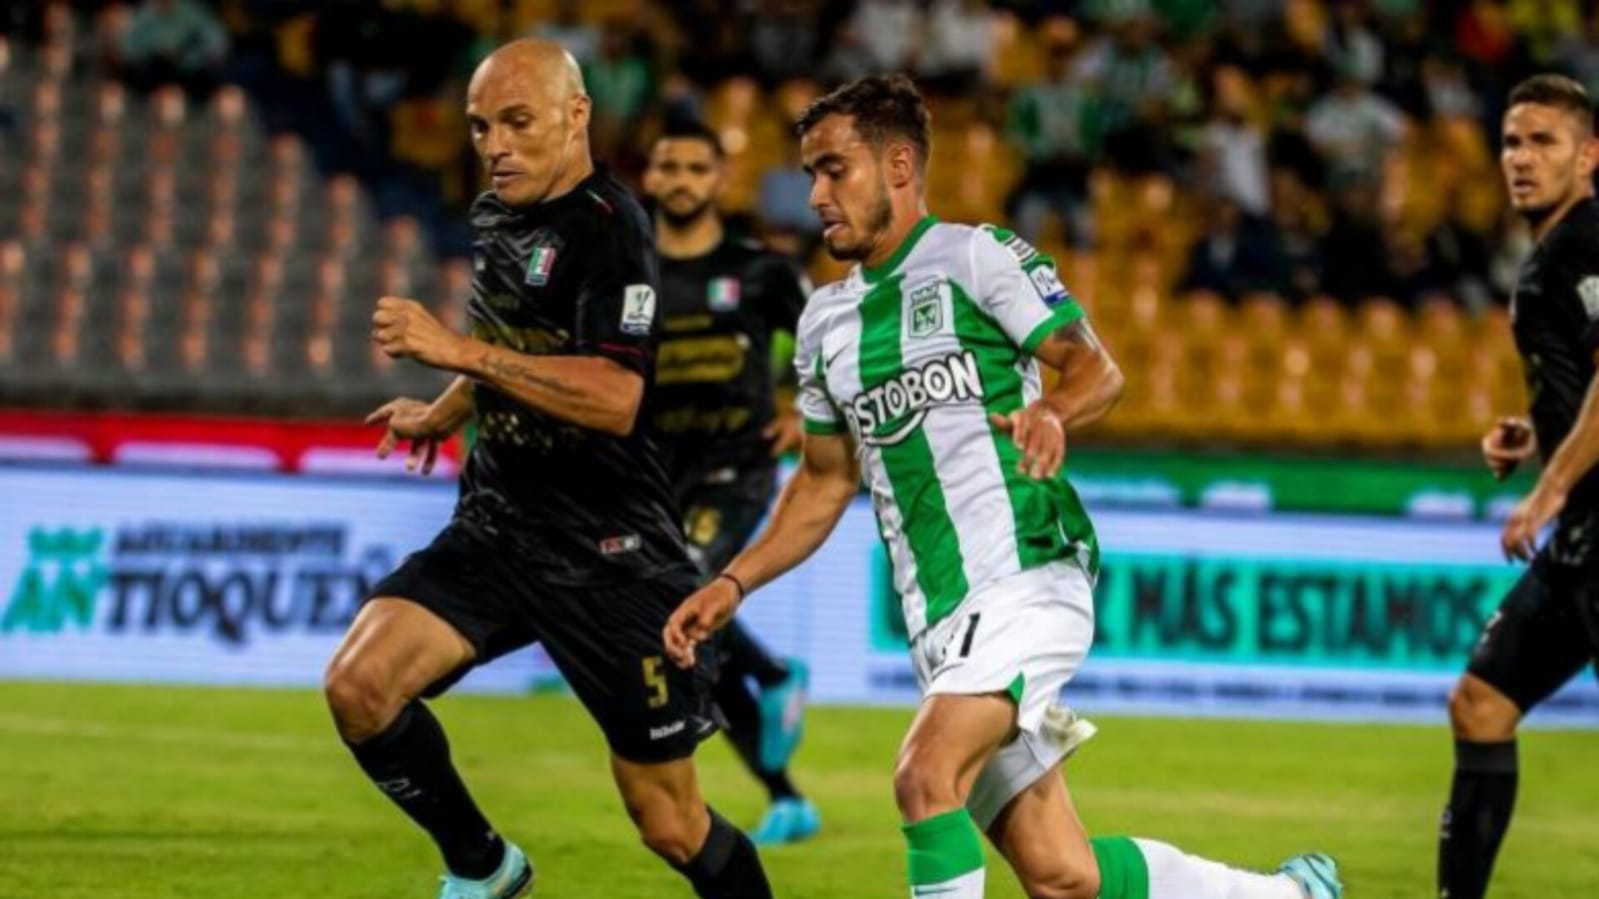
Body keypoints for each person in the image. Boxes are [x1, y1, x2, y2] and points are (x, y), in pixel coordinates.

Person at [664, 73, 1343, 899]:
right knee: (1061, 873)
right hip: (938, 616)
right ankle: (1290, 895)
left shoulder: (975, 256)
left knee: (923, 776)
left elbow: (1096, 366)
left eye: (834, 169)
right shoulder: (822, 323)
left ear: (900, 165)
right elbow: (820, 482)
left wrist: (1053, 410)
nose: (815, 194)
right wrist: (734, 581)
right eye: (809, 173)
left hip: (1026, 571)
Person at [324, 40, 772, 899]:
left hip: (611, 553)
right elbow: (514, 344)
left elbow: (613, 396)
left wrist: (454, 351)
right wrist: (445, 407)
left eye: (517, 122)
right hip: (497, 528)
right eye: (480, 125)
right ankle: (482, 866)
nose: (495, 144)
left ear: (577, 116)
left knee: (672, 826)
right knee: (359, 685)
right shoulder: (499, 212)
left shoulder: (611, 231)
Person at [641, 117, 821, 845]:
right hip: (654, 476)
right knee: (688, 632)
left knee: (686, 592)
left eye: (695, 167)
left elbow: (827, 343)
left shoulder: (761, 270)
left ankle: (776, 677)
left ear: (719, 180)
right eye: (668, 166)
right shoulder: (629, 273)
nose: (681, 179)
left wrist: (808, 410)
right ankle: (786, 796)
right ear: (648, 178)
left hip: (735, 467)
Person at [1442, 73, 1599, 899]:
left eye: (1543, 141)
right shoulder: (1552, 258)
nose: (1521, 158)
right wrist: (1538, 433)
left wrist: (1543, 494)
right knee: (1480, 703)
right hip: (1582, 542)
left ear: (1589, 154)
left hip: (1584, 526)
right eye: (1510, 141)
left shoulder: (1589, 243)